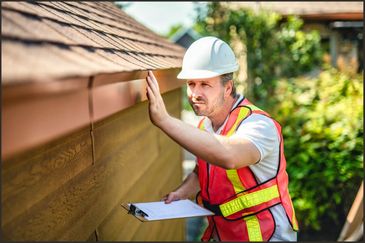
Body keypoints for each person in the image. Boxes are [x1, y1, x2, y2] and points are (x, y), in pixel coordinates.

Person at [145, 36, 298, 241]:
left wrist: (164, 120)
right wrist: (181, 193)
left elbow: (228, 156)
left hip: (264, 234)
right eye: (191, 84)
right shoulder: (205, 125)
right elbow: (204, 172)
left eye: (205, 84)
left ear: (228, 88)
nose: (195, 93)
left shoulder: (259, 125)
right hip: (225, 233)